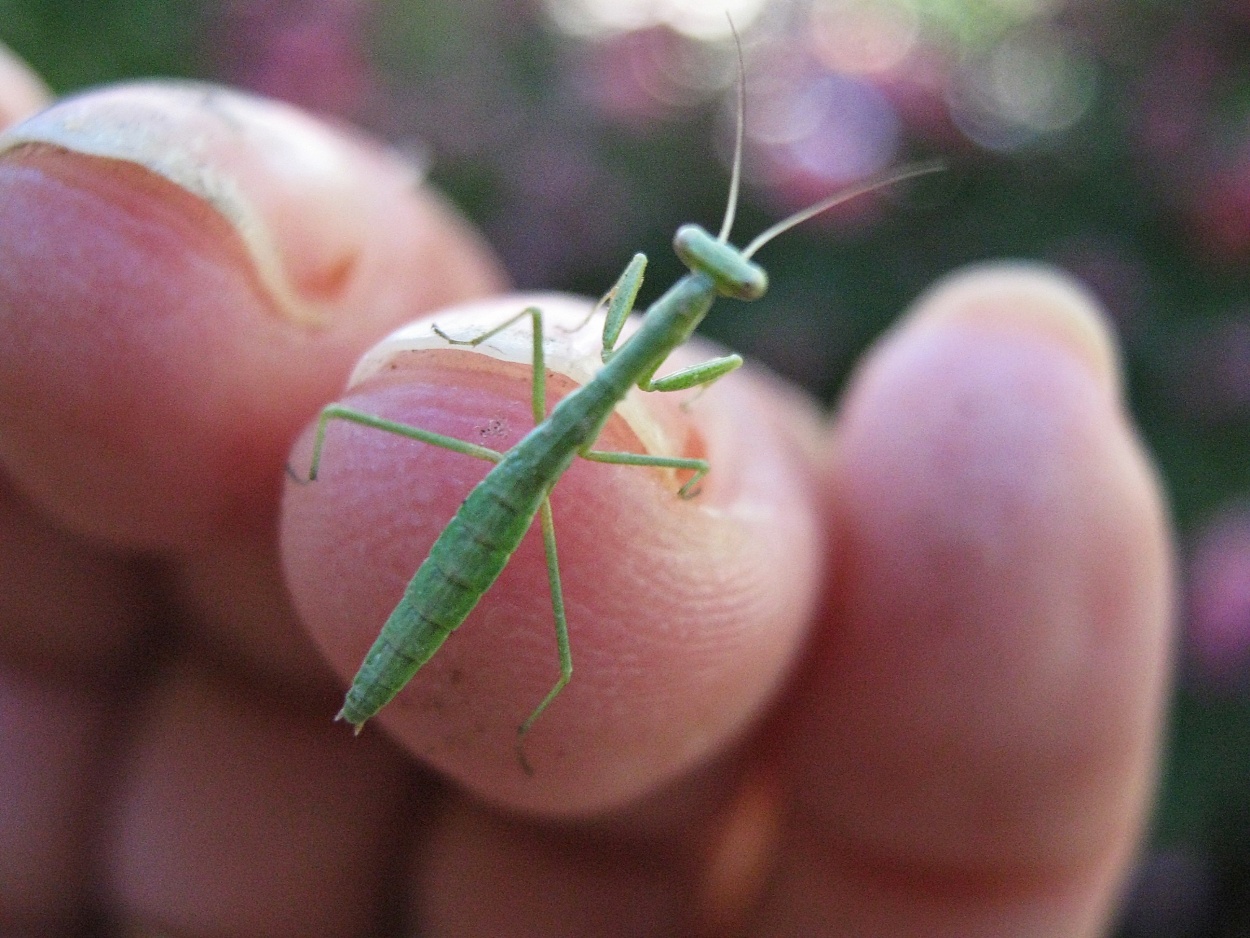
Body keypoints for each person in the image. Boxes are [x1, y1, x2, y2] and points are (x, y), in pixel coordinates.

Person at [0, 41, 1172, 937]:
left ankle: (479, 696)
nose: (711, 267)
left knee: (562, 615)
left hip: (508, 500)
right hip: (499, 485)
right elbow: (635, 419)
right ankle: (450, 661)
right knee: (406, 449)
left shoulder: (651, 348)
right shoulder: (656, 352)